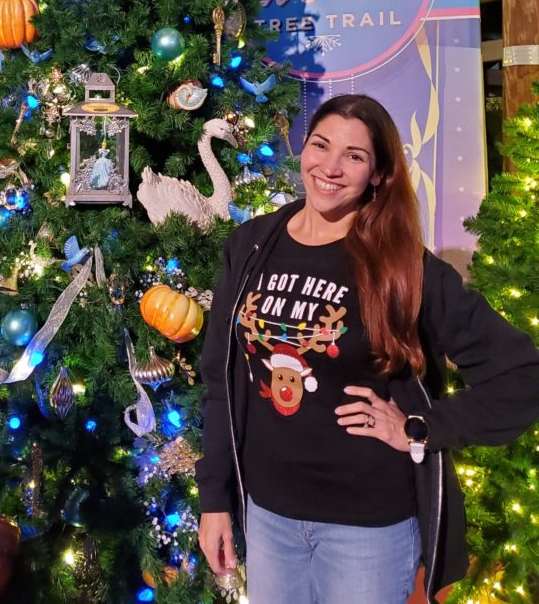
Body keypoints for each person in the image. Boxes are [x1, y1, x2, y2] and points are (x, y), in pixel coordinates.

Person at [196, 94, 539, 604]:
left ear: (378, 174)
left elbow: (523, 374)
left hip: (366, 532)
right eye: (320, 145)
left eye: (354, 156)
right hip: (267, 518)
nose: (330, 168)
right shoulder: (250, 246)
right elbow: (220, 381)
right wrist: (215, 500)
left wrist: (420, 428)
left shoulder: (403, 269)